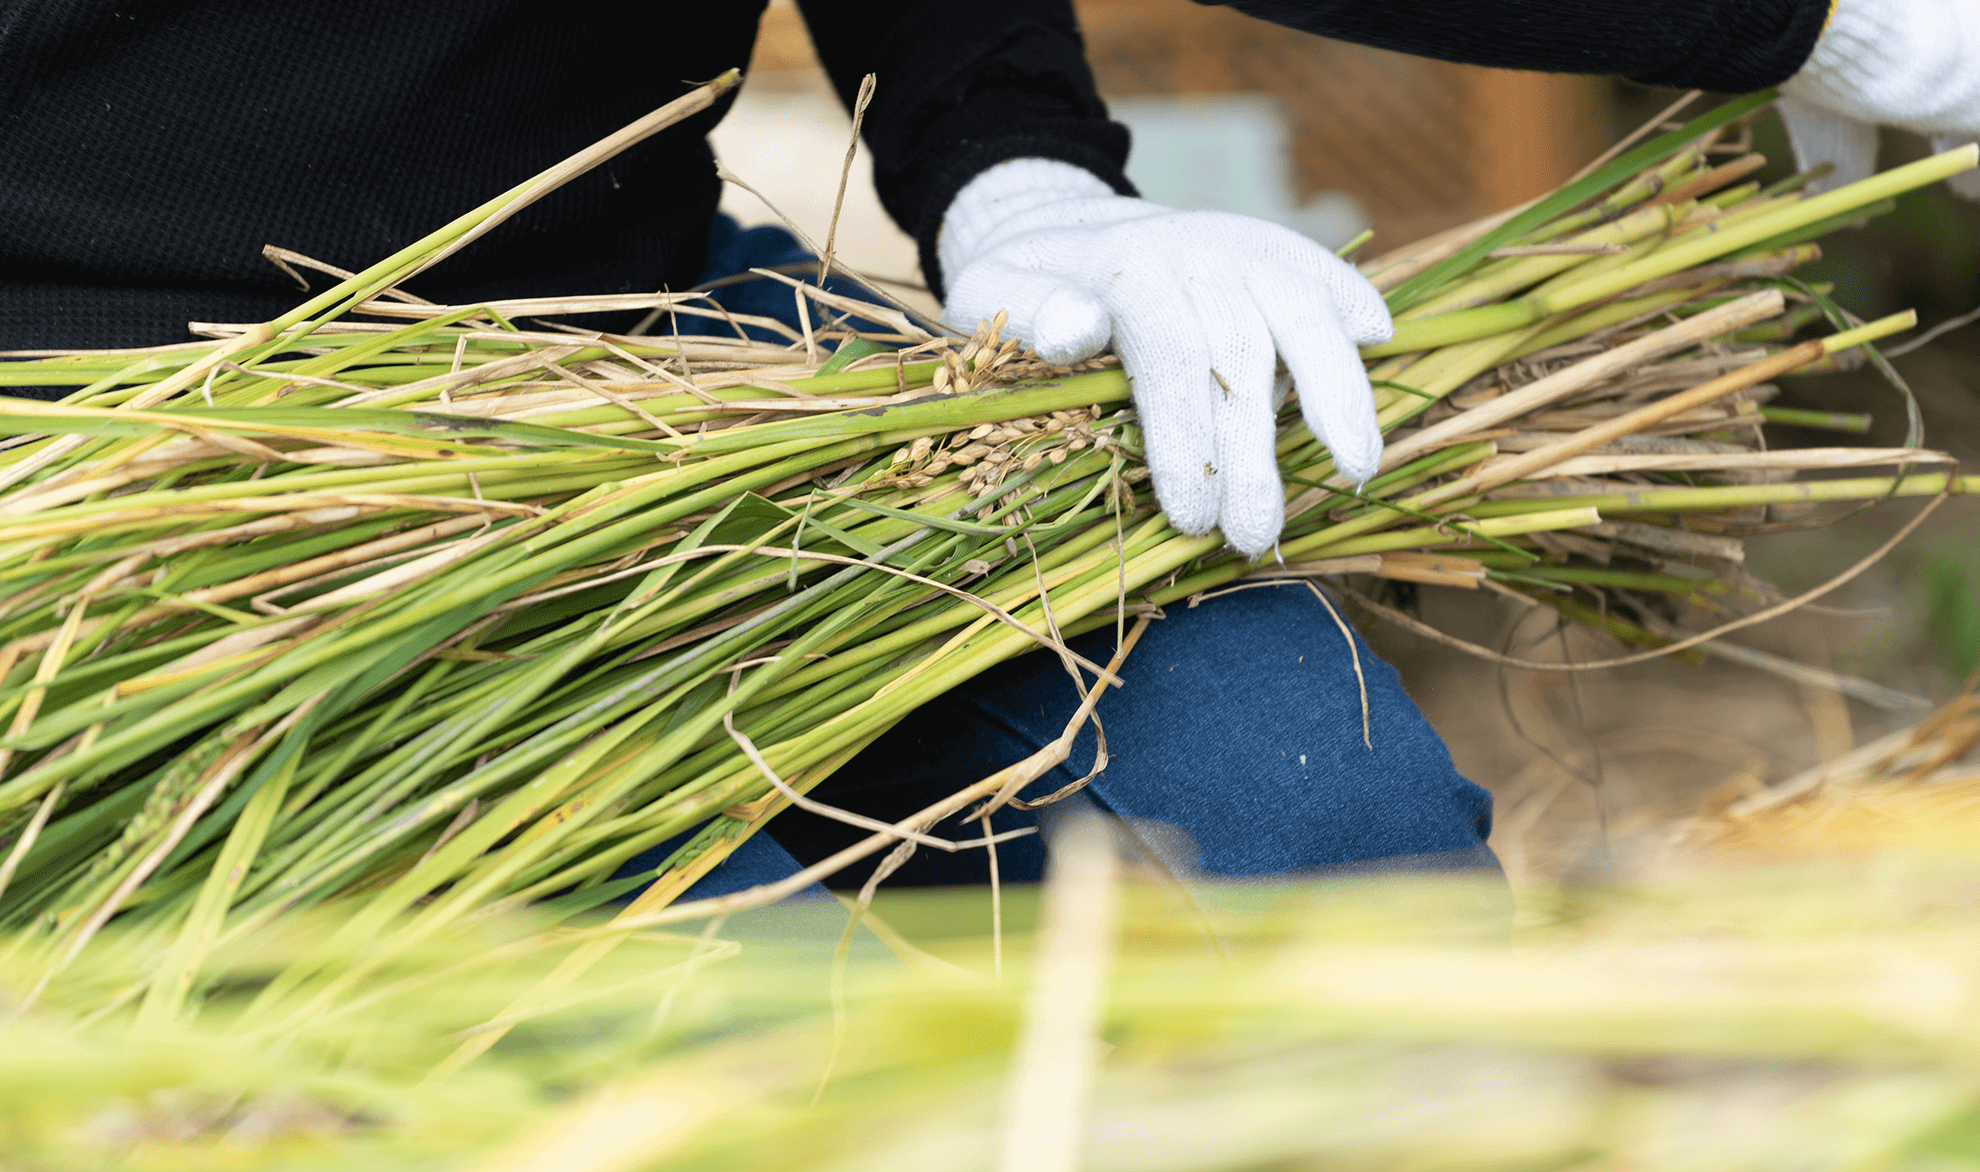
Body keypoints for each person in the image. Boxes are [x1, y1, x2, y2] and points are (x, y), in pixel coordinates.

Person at [3, 0, 1972, 897]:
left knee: (1302, 831)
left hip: (629, 346)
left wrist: (1018, 174)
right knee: (707, 1017)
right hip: (103, 460)